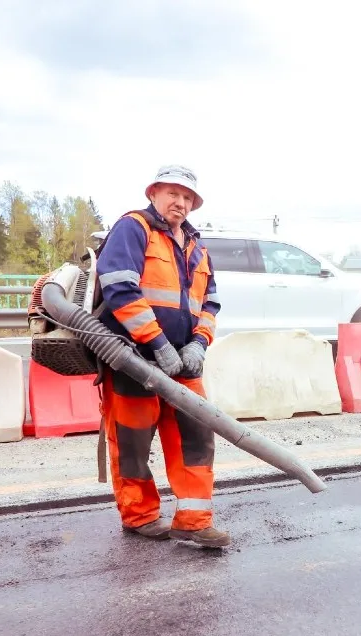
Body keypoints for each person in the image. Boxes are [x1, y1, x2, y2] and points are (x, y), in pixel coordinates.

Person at [94, 165, 229, 548]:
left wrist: (198, 343)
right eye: (173, 193)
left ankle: (193, 519)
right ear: (153, 192)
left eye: (188, 198)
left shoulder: (196, 246)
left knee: (196, 437)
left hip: (184, 363)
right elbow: (119, 287)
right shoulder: (133, 228)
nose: (180, 203)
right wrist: (157, 344)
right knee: (133, 440)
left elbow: (211, 301)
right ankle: (139, 516)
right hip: (132, 358)